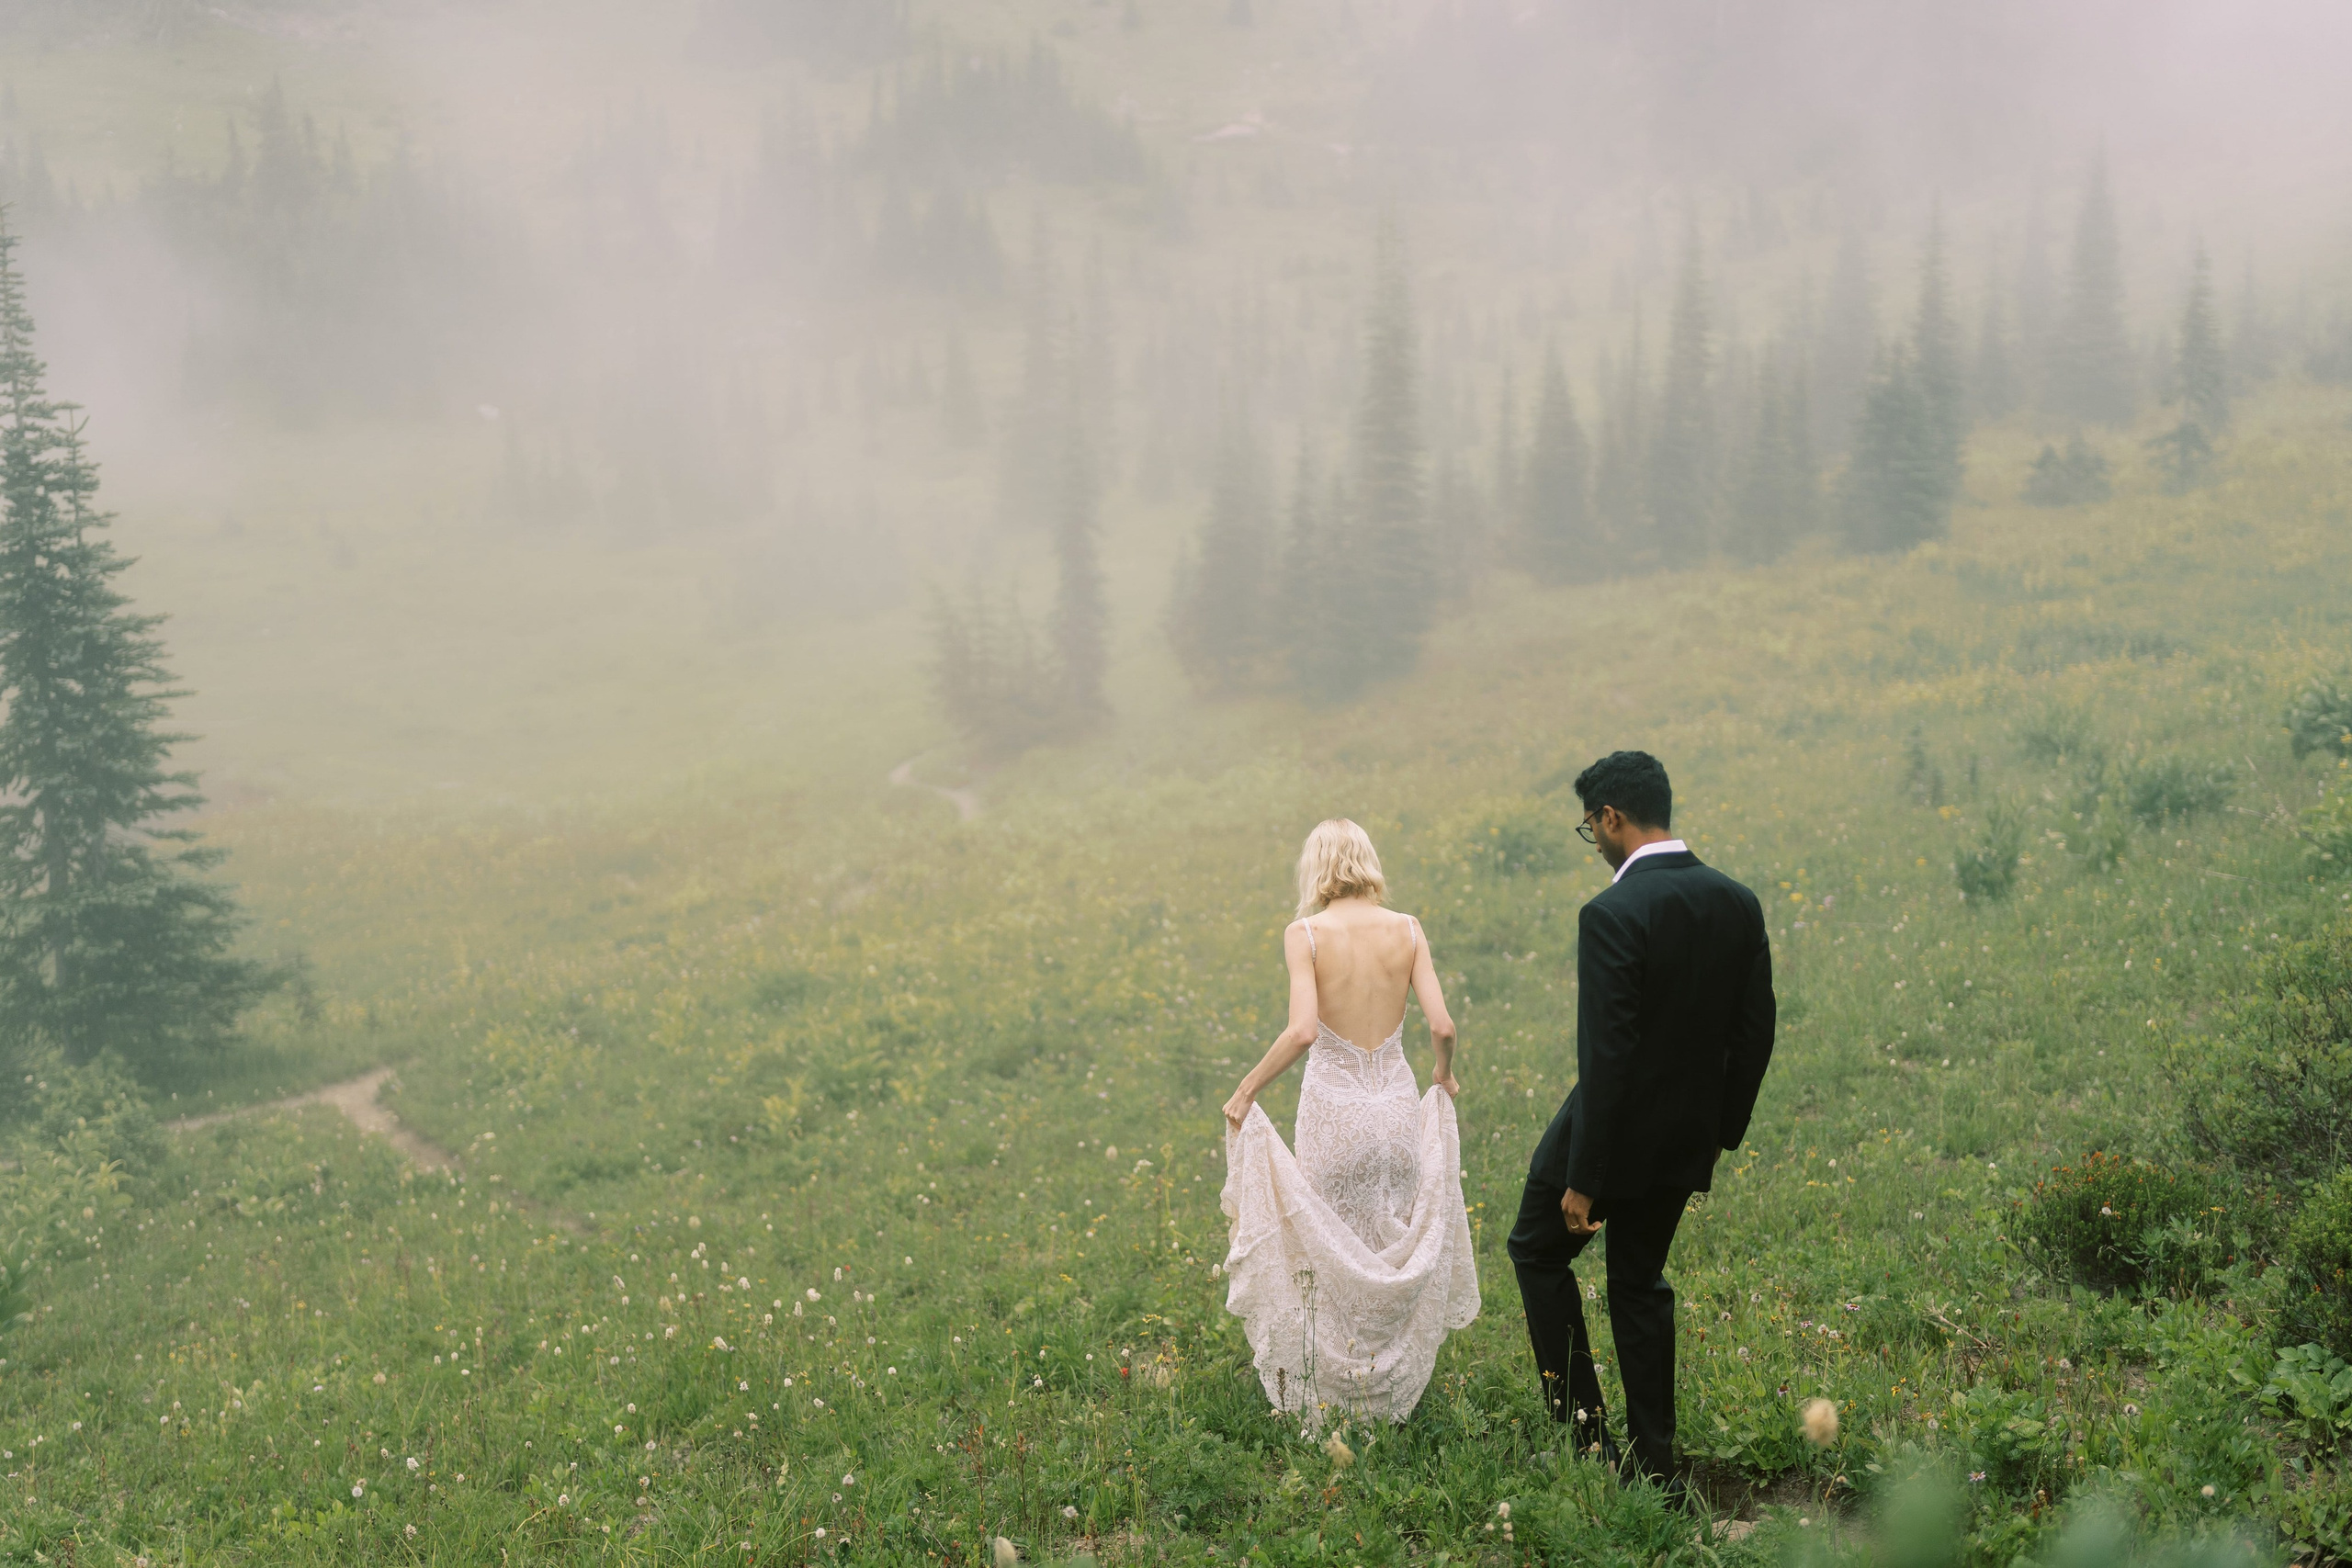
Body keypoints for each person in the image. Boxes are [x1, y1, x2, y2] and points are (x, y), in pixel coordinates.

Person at [1509, 750, 1774, 1495]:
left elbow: (1609, 1054)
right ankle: (1654, 1460)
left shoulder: (1613, 913)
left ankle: (1587, 1439)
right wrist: (1719, 1128)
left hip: (1603, 1135)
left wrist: (1584, 1179)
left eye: (1590, 827)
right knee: (1637, 1281)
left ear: (1611, 818)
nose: (1593, 842)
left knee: (1535, 1252)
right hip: (1685, 1136)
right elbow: (1757, 1031)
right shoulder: (1737, 900)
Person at [1218, 818, 1481, 1429]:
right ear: (1367, 862)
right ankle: (1388, 1397)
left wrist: (1247, 1087)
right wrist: (1443, 1076)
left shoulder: (1305, 934)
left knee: (1328, 1251)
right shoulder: (1407, 930)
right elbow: (1443, 1027)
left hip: (1333, 1113)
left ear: (1318, 869)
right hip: (1393, 1111)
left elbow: (1304, 1030)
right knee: (1384, 1246)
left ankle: (1336, 1401)